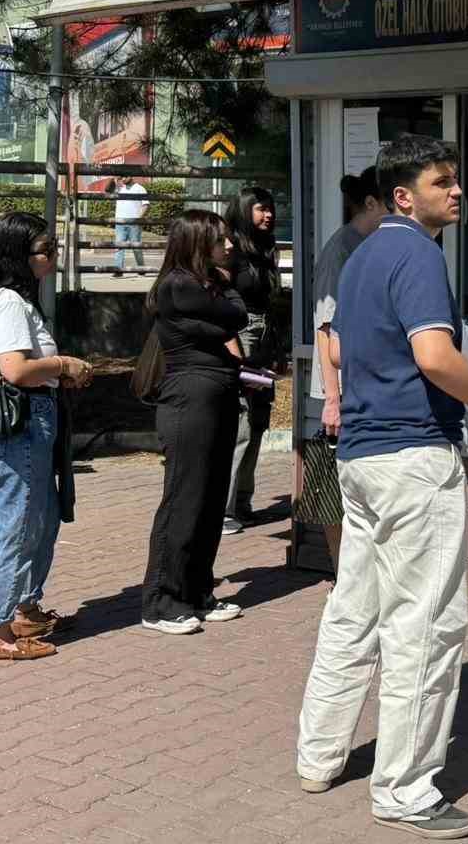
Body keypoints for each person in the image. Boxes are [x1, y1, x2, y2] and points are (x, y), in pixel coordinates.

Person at [295, 134, 468, 840]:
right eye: (441, 181)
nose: (456, 191)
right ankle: (405, 790)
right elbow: (435, 355)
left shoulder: (361, 256)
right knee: (426, 625)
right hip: (413, 457)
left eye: (455, 179)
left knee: (353, 612)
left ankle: (319, 755)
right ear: (402, 196)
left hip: (362, 458)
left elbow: (335, 347)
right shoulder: (417, 253)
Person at [0, 212, 93, 660]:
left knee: (41, 518)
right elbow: (16, 370)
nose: (53, 256)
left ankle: (24, 609)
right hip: (19, 425)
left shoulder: (19, 300)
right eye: (45, 250)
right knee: (17, 524)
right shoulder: (7, 302)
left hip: (34, 419)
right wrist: (63, 365)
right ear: (16, 255)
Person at [140, 210, 248, 635]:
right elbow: (236, 314)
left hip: (217, 396)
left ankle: (197, 591)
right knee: (185, 498)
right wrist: (223, 305)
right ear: (197, 243)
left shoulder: (205, 284)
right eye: (220, 240)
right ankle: (161, 602)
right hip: (190, 400)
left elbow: (228, 314)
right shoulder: (179, 285)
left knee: (211, 499)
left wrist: (220, 308)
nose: (229, 246)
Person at [299, 168, 387, 570]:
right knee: (337, 495)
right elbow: (325, 328)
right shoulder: (342, 250)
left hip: (365, 387)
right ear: (370, 203)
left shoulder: (373, 246)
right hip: (341, 393)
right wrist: (333, 400)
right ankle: (342, 576)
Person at [222, 185, 281, 534]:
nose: (268, 214)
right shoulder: (230, 248)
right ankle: (225, 508)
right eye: (260, 208)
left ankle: (242, 502)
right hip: (241, 333)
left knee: (258, 420)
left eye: (270, 208)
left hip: (263, 335)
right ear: (244, 210)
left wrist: (276, 348)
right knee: (241, 422)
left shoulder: (266, 248)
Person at [111, 177, 149, 274]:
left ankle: (141, 268)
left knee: (136, 248)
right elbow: (107, 190)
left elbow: (145, 205)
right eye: (122, 177)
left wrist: (138, 219)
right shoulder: (119, 188)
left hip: (134, 223)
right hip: (120, 222)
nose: (123, 179)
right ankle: (118, 270)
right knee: (119, 246)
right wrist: (113, 179)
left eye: (125, 176)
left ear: (131, 176)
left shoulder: (140, 188)